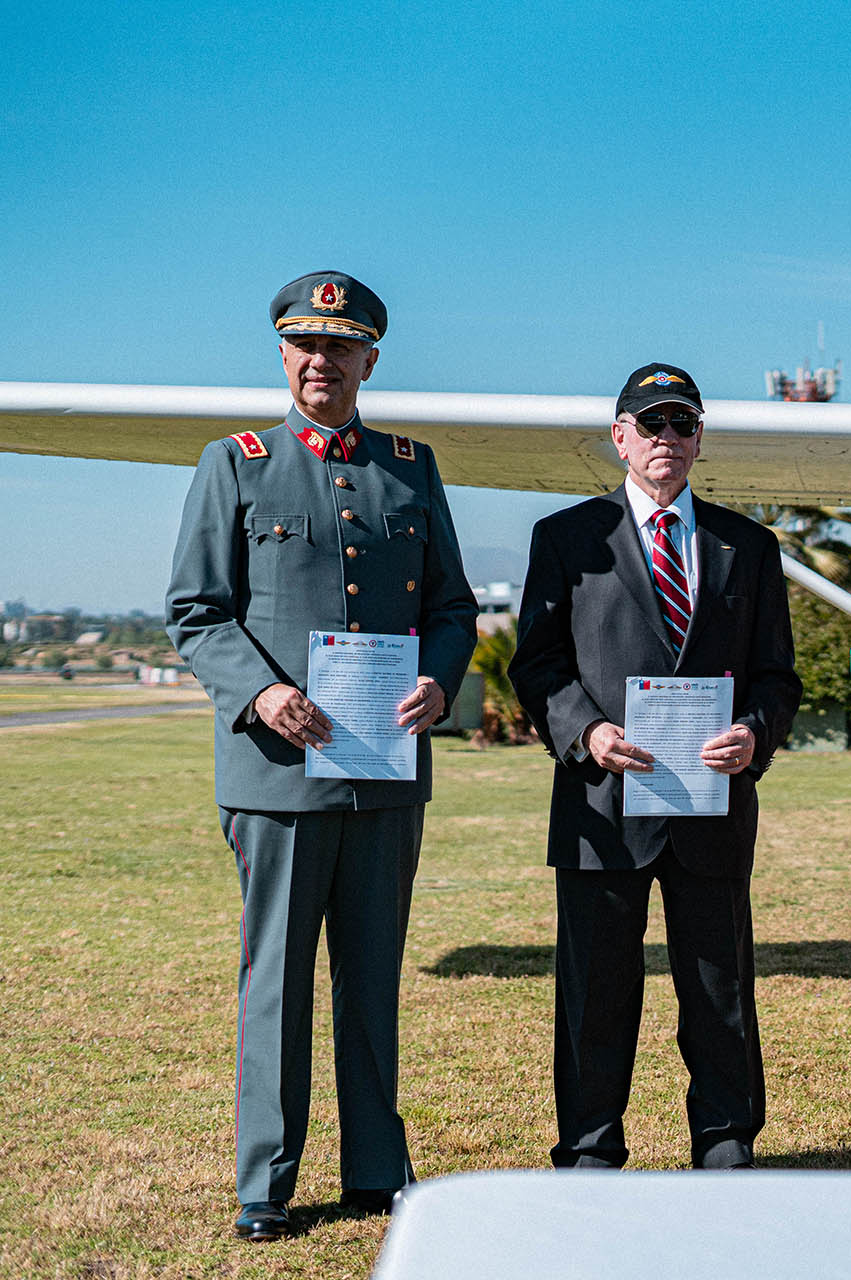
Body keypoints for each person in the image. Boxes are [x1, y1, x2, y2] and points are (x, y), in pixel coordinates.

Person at [166, 271, 478, 1240]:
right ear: (283, 354)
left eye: (341, 347)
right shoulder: (238, 464)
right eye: (305, 345)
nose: (321, 362)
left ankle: (377, 1167)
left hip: (383, 774)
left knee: (372, 972)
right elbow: (196, 610)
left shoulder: (408, 468)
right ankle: (266, 1178)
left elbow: (453, 606)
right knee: (277, 979)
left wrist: (438, 677)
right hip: (276, 772)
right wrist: (261, 690)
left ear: (369, 360)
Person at [509, 362, 800, 1172]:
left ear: (700, 438)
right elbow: (536, 666)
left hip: (712, 804)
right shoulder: (565, 539)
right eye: (650, 424)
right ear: (620, 438)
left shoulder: (749, 546)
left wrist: (754, 733)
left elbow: (779, 677)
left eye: (681, 423)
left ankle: (726, 1137)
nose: (665, 438)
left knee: (718, 989)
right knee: (596, 992)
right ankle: (592, 1143)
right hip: (603, 803)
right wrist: (587, 734)